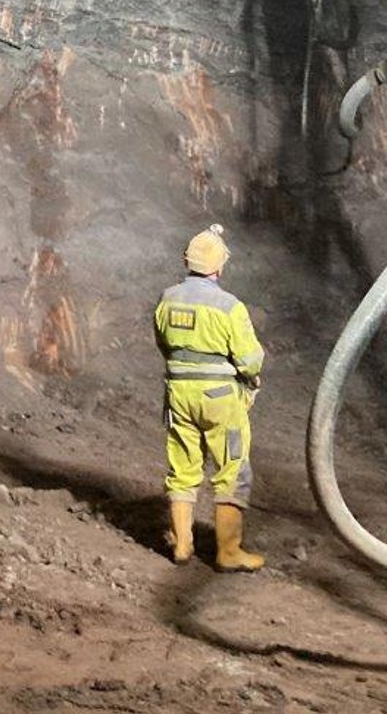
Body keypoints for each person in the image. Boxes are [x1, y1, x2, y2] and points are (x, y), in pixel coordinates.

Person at [154, 223, 265, 572]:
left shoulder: (168, 299)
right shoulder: (229, 307)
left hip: (178, 394)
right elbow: (249, 359)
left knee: (183, 468)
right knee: (232, 468)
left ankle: (183, 545)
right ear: (219, 267)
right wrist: (250, 379)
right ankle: (228, 552)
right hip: (220, 398)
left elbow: (163, 343)